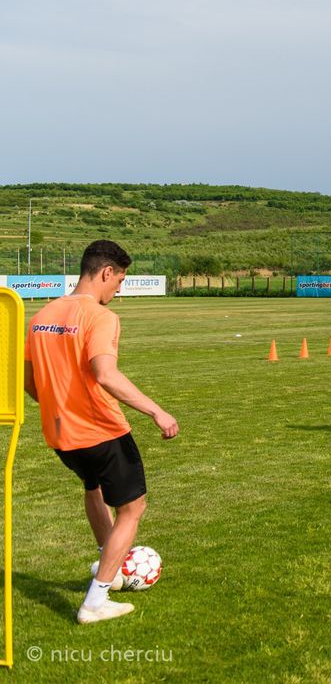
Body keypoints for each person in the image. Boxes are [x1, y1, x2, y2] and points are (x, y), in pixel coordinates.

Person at [24, 240, 180, 623]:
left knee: (92, 488)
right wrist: (156, 410)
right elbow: (106, 374)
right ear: (107, 272)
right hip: (101, 430)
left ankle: (106, 566)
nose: (120, 289)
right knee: (132, 508)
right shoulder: (100, 316)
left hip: (61, 435)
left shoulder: (42, 313)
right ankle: (96, 600)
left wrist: (60, 405)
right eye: (120, 280)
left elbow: (30, 381)